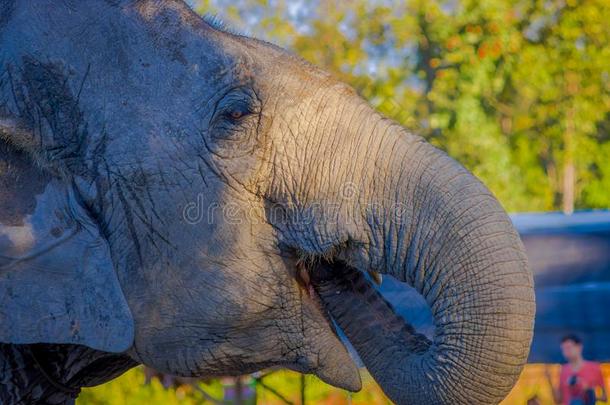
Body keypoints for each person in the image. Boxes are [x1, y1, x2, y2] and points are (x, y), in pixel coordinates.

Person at [546, 334, 607, 405]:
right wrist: (549, 381)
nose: (566, 352)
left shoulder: (594, 368)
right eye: (563, 349)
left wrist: (588, 390)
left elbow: (604, 397)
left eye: (568, 347)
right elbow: (558, 400)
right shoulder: (563, 370)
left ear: (579, 347)